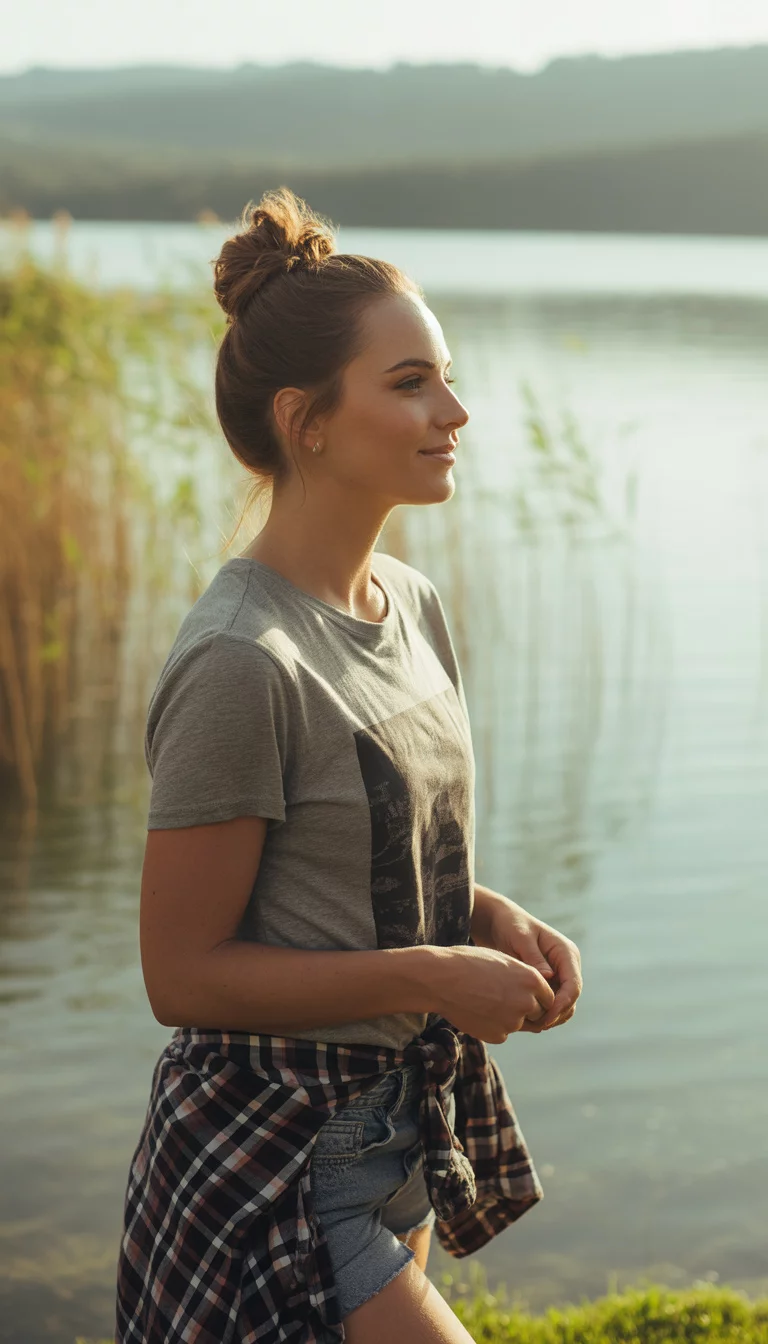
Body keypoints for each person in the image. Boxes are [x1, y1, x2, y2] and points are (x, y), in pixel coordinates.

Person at [114, 187, 583, 1344]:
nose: (456, 411)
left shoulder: (412, 605)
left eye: (446, 376)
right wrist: (433, 974)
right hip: (277, 1153)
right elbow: (183, 976)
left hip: (396, 1124)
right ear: (306, 419)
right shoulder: (240, 659)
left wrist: (484, 914)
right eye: (411, 383)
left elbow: (364, 867)